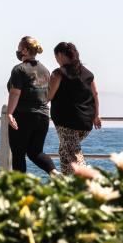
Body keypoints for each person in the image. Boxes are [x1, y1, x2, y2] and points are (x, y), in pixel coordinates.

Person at [6, 36, 58, 176]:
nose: (17, 51)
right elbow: (46, 94)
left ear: (24, 50)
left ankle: (20, 185)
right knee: (35, 152)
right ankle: (54, 172)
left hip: (23, 115)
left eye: (19, 48)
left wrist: (9, 113)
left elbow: (15, 93)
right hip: (43, 116)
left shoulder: (19, 69)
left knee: (18, 154)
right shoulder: (45, 70)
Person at [47, 41, 101, 173]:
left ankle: (86, 179)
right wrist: (96, 116)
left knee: (74, 153)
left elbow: (49, 96)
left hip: (66, 122)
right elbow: (95, 94)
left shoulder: (58, 73)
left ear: (60, 55)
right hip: (86, 122)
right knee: (64, 150)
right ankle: (67, 180)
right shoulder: (88, 74)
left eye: (56, 57)